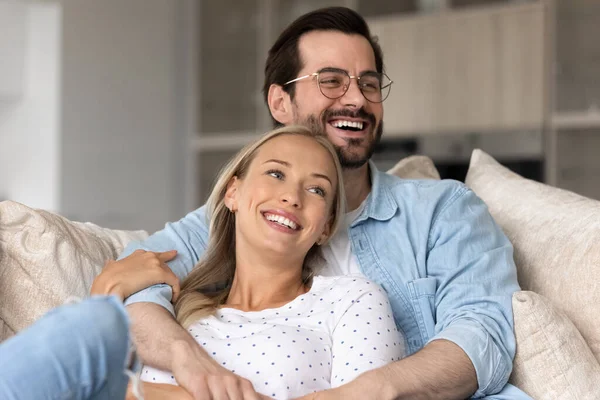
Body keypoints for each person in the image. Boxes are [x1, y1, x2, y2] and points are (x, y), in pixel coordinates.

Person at [120, 6, 529, 400]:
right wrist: (189, 363)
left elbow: (482, 334)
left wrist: (370, 390)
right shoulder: (223, 223)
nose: (356, 100)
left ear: (327, 225)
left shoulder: (441, 211)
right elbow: (134, 284)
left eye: (369, 83)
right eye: (331, 80)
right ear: (280, 103)